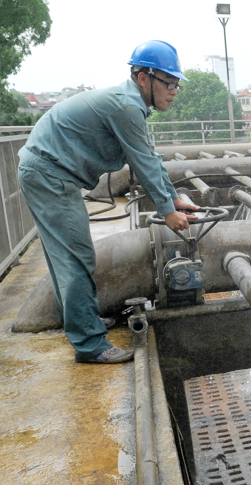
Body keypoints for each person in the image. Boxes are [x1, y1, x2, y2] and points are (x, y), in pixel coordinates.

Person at [17, 40, 199, 364]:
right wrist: (168, 213)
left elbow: (150, 158)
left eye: (177, 85)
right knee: (77, 257)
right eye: (168, 82)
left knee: (66, 256)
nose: (173, 90)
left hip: (45, 171)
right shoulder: (126, 106)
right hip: (49, 174)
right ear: (144, 78)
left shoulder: (129, 103)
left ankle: (77, 321)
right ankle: (90, 344)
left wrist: (172, 198)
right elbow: (142, 161)